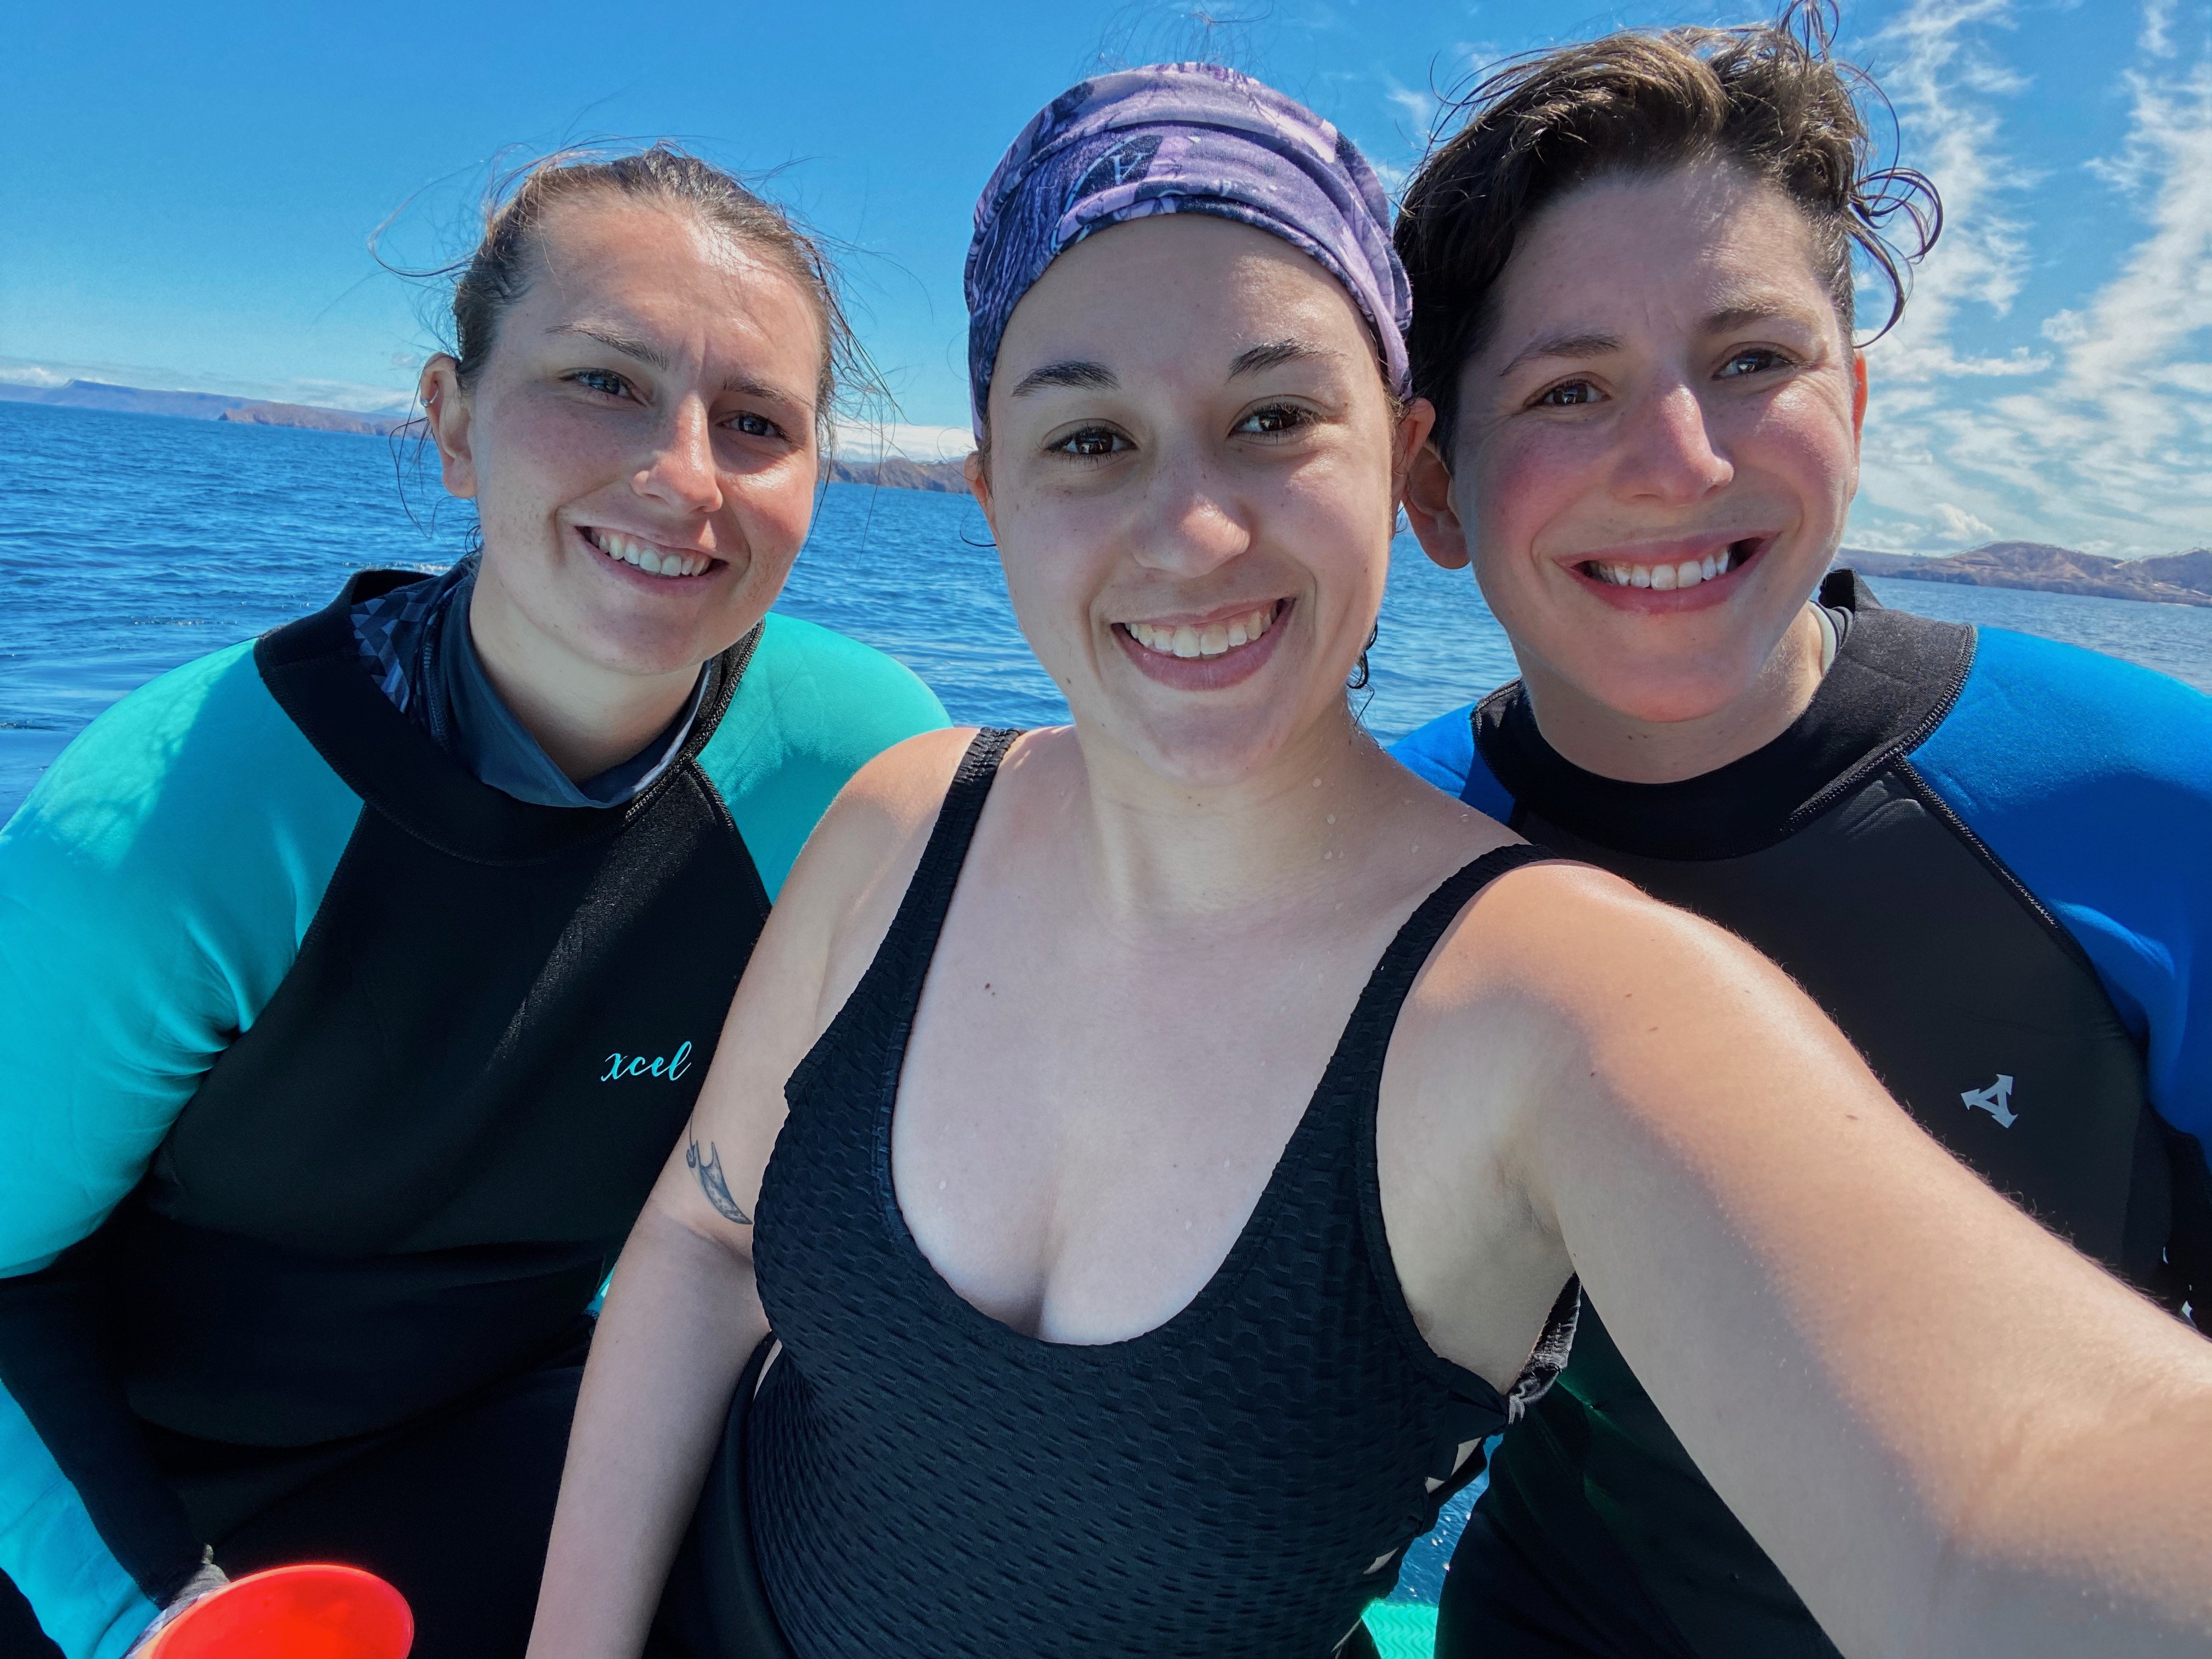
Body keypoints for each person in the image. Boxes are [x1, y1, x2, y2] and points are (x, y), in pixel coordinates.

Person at [523, 66, 2212, 1659]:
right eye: (1089, 439)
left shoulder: (1559, 992)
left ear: (1396, 465)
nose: (1191, 531)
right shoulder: (912, 817)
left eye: (1272, 417)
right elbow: (706, 1237)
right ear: (990, 494)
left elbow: (2003, 1494)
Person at [0, 146, 946, 1659]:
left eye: (757, 422)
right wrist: (151, 1620)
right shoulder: (178, 824)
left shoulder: (854, 766)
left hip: (530, 1431)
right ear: (450, 421)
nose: (686, 476)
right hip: (116, 1513)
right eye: (604, 382)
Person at [1384, 9, 2212, 1656]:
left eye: (1754, 361)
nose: (1680, 461)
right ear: (1437, 492)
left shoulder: (2144, 798)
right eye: (1568, 387)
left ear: (1857, 399)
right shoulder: (1387, 863)